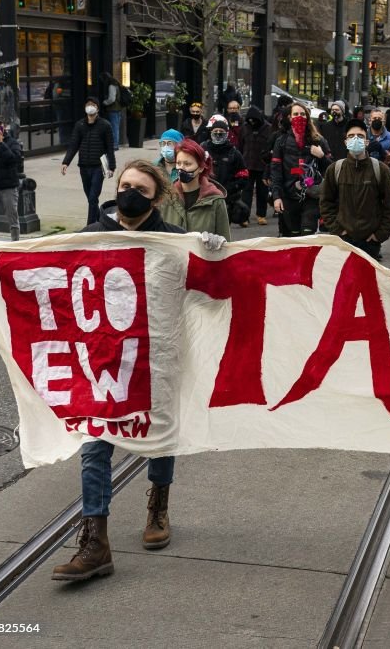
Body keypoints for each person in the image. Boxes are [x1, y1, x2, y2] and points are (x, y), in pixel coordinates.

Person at [52, 160, 226, 582]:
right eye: (125, 185)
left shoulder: (172, 241)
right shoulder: (92, 235)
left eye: (141, 189)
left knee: (159, 436)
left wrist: (212, 254)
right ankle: (97, 543)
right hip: (103, 361)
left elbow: (211, 294)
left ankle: (158, 508)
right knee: (95, 446)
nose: (130, 194)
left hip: (155, 358)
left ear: (158, 197)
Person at [320, 119, 390, 259]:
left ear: (367, 142)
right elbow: (326, 203)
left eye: (360, 136)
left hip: (370, 244)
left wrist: (379, 235)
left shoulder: (380, 170)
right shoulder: (335, 170)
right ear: (345, 142)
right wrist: (338, 231)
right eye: (351, 136)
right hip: (343, 242)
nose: (355, 139)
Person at [271, 101, 332, 237]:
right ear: (289, 117)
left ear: (308, 117)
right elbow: (275, 171)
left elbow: (330, 170)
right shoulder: (281, 141)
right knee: (292, 237)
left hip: (311, 195)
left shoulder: (319, 140)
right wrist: (276, 197)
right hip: (288, 196)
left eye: (303, 114)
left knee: (307, 235)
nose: (299, 117)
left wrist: (321, 156)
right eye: (296, 114)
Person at [159, 138, 232, 239]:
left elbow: (225, 240)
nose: (181, 168)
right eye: (178, 163)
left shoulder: (215, 200)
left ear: (201, 167)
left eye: (187, 164)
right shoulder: (167, 197)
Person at [61, 96, 116, 225]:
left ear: (97, 108)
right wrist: (66, 162)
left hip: (98, 167)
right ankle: (100, 220)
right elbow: (74, 145)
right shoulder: (80, 125)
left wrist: (111, 167)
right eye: (88, 104)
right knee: (91, 199)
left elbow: (110, 148)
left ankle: (90, 226)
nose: (90, 107)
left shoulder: (105, 125)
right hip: (84, 167)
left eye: (93, 105)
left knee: (93, 197)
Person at [201, 117, 250, 227]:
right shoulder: (203, 149)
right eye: (215, 132)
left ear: (227, 133)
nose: (218, 134)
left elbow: (244, 176)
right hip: (205, 198)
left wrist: (229, 189)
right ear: (211, 132)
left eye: (221, 132)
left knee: (222, 231)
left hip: (226, 201)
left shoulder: (234, 153)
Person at [240, 106, 273, 226]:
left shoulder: (268, 128)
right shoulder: (244, 128)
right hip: (247, 164)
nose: (252, 122)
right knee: (246, 192)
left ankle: (261, 215)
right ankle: (244, 217)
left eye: (254, 120)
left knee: (262, 192)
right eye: (249, 120)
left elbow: (271, 147)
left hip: (262, 165)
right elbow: (240, 145)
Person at [367, 107, 390, 175]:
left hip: (383, 173)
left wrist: (384, 152)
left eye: (379, 119)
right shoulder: (363, 135)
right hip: (366, 172)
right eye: (374, 118)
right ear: (370, 121)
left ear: (384, 121)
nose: (377, 120)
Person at [100, 72, 124, 150]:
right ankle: (115, 144)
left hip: (113, 109)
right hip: (118, 109)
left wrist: (104, 102)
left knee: (114, 127)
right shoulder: (116, 84)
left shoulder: (111, 86)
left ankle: (115, 145)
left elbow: (112, 99)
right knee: (115, 127)